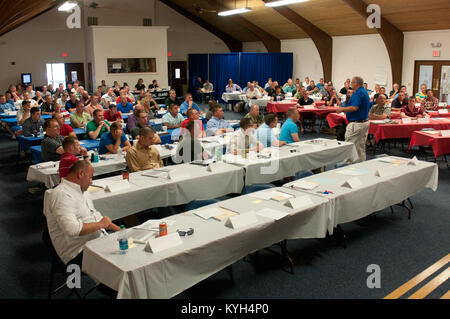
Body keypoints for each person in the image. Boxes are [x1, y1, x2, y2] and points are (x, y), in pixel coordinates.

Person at [44, 160, 120, 266]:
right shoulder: (61, 195)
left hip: (96, 240)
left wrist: (116, 228)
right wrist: (101, 224)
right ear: (80, 174)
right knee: (123, 258)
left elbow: (94, 216)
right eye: (90, 177)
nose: (91, 181)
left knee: (129, 246)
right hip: (77, 252)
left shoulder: (82, 190)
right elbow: (72, 229)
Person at [336, 76, 371, 163]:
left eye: (352, 82)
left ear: (356, 83)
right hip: (364, 122)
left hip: (357, 124)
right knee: (360, 146)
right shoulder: (364, 92)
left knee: (350, 144)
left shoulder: (358, 93)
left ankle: (347, 164)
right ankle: (361, 163)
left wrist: (341, 109)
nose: (351, 84)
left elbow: (354, 107)